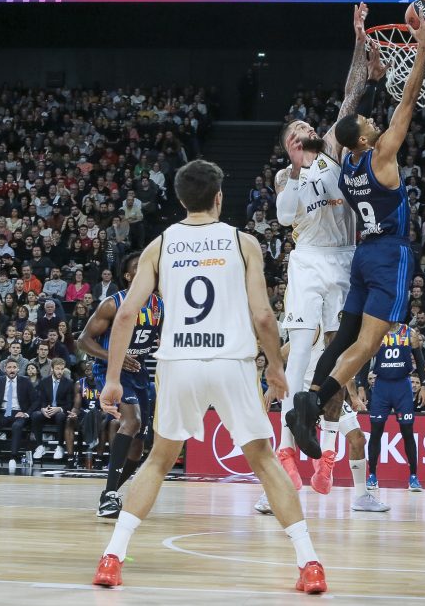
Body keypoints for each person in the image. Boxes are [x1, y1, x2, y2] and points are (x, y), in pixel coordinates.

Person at [93, 160, 327, 594]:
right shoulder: (242, 242)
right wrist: (276, 367)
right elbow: (263, 316)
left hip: (178, 362)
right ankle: (309, 563)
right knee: (264, 461)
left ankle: (111, 558)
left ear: (181, 199)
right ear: (219, 197)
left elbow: (125, 314)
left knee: (158, 461)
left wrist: (112, 379)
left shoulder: (160, 245)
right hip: (231, 360)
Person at [289, 9, 425, 459]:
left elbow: (354, 122)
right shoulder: (382, 155)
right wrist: (423, 46)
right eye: (371, 127)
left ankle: (308, 398)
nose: (376, 125)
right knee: (368, 343)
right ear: (364, 140)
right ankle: (314, 402)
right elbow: (408, 101)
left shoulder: (349, 163)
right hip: (390, 253)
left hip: (363, 255)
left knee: (342, 338)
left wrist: (369, 79)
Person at [263, 2, 382, 504]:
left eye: (305, 129)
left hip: (346, 256)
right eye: (293, 134)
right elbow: (284, 218)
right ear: (287, 146)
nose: (303, 133)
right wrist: (295, 171)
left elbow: (352, 93)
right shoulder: (284, 177)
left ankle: (328, 454)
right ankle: (287, 449)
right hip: (309, 258)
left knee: (338, 354)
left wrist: (358, 40)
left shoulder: (333, 148)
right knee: (301, 349)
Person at [255, 328, 390, 515]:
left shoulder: (346, 331)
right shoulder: (314, 326)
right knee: (287, 446)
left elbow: (345, 370)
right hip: (303, 392)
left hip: (331, 394)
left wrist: (353, 396)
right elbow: (283, 354)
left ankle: (361, 496)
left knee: (358, 439)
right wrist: (273, 381)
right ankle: (269, 495)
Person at [79, 251, 163, 518]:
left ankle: (109, 493)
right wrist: (114, 357)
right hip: (110, 369)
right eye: (138, 267)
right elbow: (83, 341)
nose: (146, 270)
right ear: (128, 276)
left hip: (138, 372)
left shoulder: (160, 305)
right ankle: (109, 496)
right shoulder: (112, 304)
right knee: (132, 421)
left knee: (139, 445)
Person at [364, 323, 425, 492]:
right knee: (375, 432)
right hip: (381, 386)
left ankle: (413, 477)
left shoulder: (409, 333)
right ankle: (372, 475)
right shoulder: (377, 331)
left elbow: (420, 361)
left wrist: (424, 385)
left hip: (402, 386)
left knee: (407, 432)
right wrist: (361, 385)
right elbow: (365, 358)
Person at [0, 358, 38, 470]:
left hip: (19, 412)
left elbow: (36, 401)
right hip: (2, 412)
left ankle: (13, 458)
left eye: (14, 367)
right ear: (5, 369)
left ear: (18, 369)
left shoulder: (25, 381)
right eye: (9, 367)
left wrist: (26, 413)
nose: (12, 370)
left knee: (17, 426)